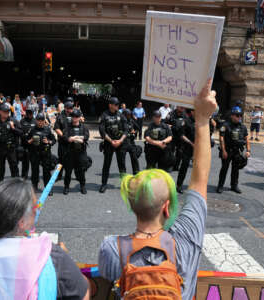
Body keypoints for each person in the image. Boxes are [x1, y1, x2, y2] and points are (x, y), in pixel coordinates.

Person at [98, 80, 217, 300]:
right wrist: (203, 118)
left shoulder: (111, 249)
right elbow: (200, 180)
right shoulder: (186, 238)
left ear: (133, 207)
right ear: (166, 207)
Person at [216, 106, 250, 194]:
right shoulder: (225, 125)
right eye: (237, 115)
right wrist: (223, 150)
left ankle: (234, 186)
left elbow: (247, 139)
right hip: (227, 150)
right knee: (224, 169)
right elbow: (221, 138)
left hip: (237, 151)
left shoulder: (242, 126)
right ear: (232, 115)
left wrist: (248, 151)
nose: (239, 117)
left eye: (240, 115)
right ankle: (220, 186)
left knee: (236, 169)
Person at [99, 97, 128, 193]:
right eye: (115, 104)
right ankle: (103, 184)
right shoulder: (104, 115)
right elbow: (102, 131)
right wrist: (111, 141)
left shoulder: (121, 115)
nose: (117, 106)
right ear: (110, 105)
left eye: (117, 105)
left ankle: (124, 184)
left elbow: (126, 129)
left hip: (120, 143)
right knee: (106, 164)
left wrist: (120, 140)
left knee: (122, 164)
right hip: (108, 143)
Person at [0, 103, 22, 182]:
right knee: (0, 169)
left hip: (11, 149)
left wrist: (13, 128)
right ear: (0, 112)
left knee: (14, 167)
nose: (6, 113)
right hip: (0, 149)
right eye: (5, 111)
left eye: (8, 112)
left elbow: (21, 133)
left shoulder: (13, 120)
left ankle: (16, 185)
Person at [27, 113, 56, 194]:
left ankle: (48, 188)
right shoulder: (32, 130)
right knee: (34, 171)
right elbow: (27, 141)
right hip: (35, 153)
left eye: (42, 121)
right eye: (38, 120)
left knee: (46, 171)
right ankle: (34, 186)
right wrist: (31, 140)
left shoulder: (47, 129)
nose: (40, 122)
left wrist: (48, 141)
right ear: (36, 120)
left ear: (44, 121)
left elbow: (54, 140)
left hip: (45, 153)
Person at [62, 109, 90, 195]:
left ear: (79, 117)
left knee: (81, 170)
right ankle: (66, 187)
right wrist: (74, 138)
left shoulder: (84, 127)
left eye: (77, 116)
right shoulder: (67, 126)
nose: (75, 118)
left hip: (81, 152)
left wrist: (75, 138)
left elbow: (86, 136)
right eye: (73, 116)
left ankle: (82, 186)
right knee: (68, 171)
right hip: (70, 152)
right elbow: (65, 137)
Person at [54, 100, 74, 180]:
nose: (70, 110)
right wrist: (64, 136)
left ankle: (73, 174)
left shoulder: (74, 115)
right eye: (69, 108)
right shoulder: (60, 116)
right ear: (65, 108)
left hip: (72, 142)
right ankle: (59, 175)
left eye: (71, 108)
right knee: (61, 160)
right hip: (63, 142)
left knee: (72, 159)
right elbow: (56, 128)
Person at [165, 106, 186, 171]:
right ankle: (169, 166)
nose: (182, 109)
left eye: (183, 108)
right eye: (181, 107)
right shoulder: (171, 114)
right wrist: (171, 126)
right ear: (177, 107)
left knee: (180, 152)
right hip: (172, 135)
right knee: (171, 151)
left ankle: (176, 166)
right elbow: (165, 124)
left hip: (180, 136)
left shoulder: (185, 115)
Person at [122, 109, 140, 175]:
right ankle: (123, 174)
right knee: (122, 160)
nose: (129, 116)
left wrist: (134, 132)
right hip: (123, 142)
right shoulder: (120, 122)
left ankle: (136, 173)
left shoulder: (131, 121)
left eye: (130, 115)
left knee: (134, 158)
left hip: (131, 142)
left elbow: (138, 128)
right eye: (127, 115)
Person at [20, 108, 36, 179]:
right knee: (25, 162)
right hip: (25, 144)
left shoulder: (35, 121)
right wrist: (26, 140)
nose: (29, 114)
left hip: (33, 145)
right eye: (28, 113)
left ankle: (34, 177)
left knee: (34, 163)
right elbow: (20, 132)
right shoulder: (22, 121)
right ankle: (24, 176)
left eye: (31, 113)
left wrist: (32, 140)